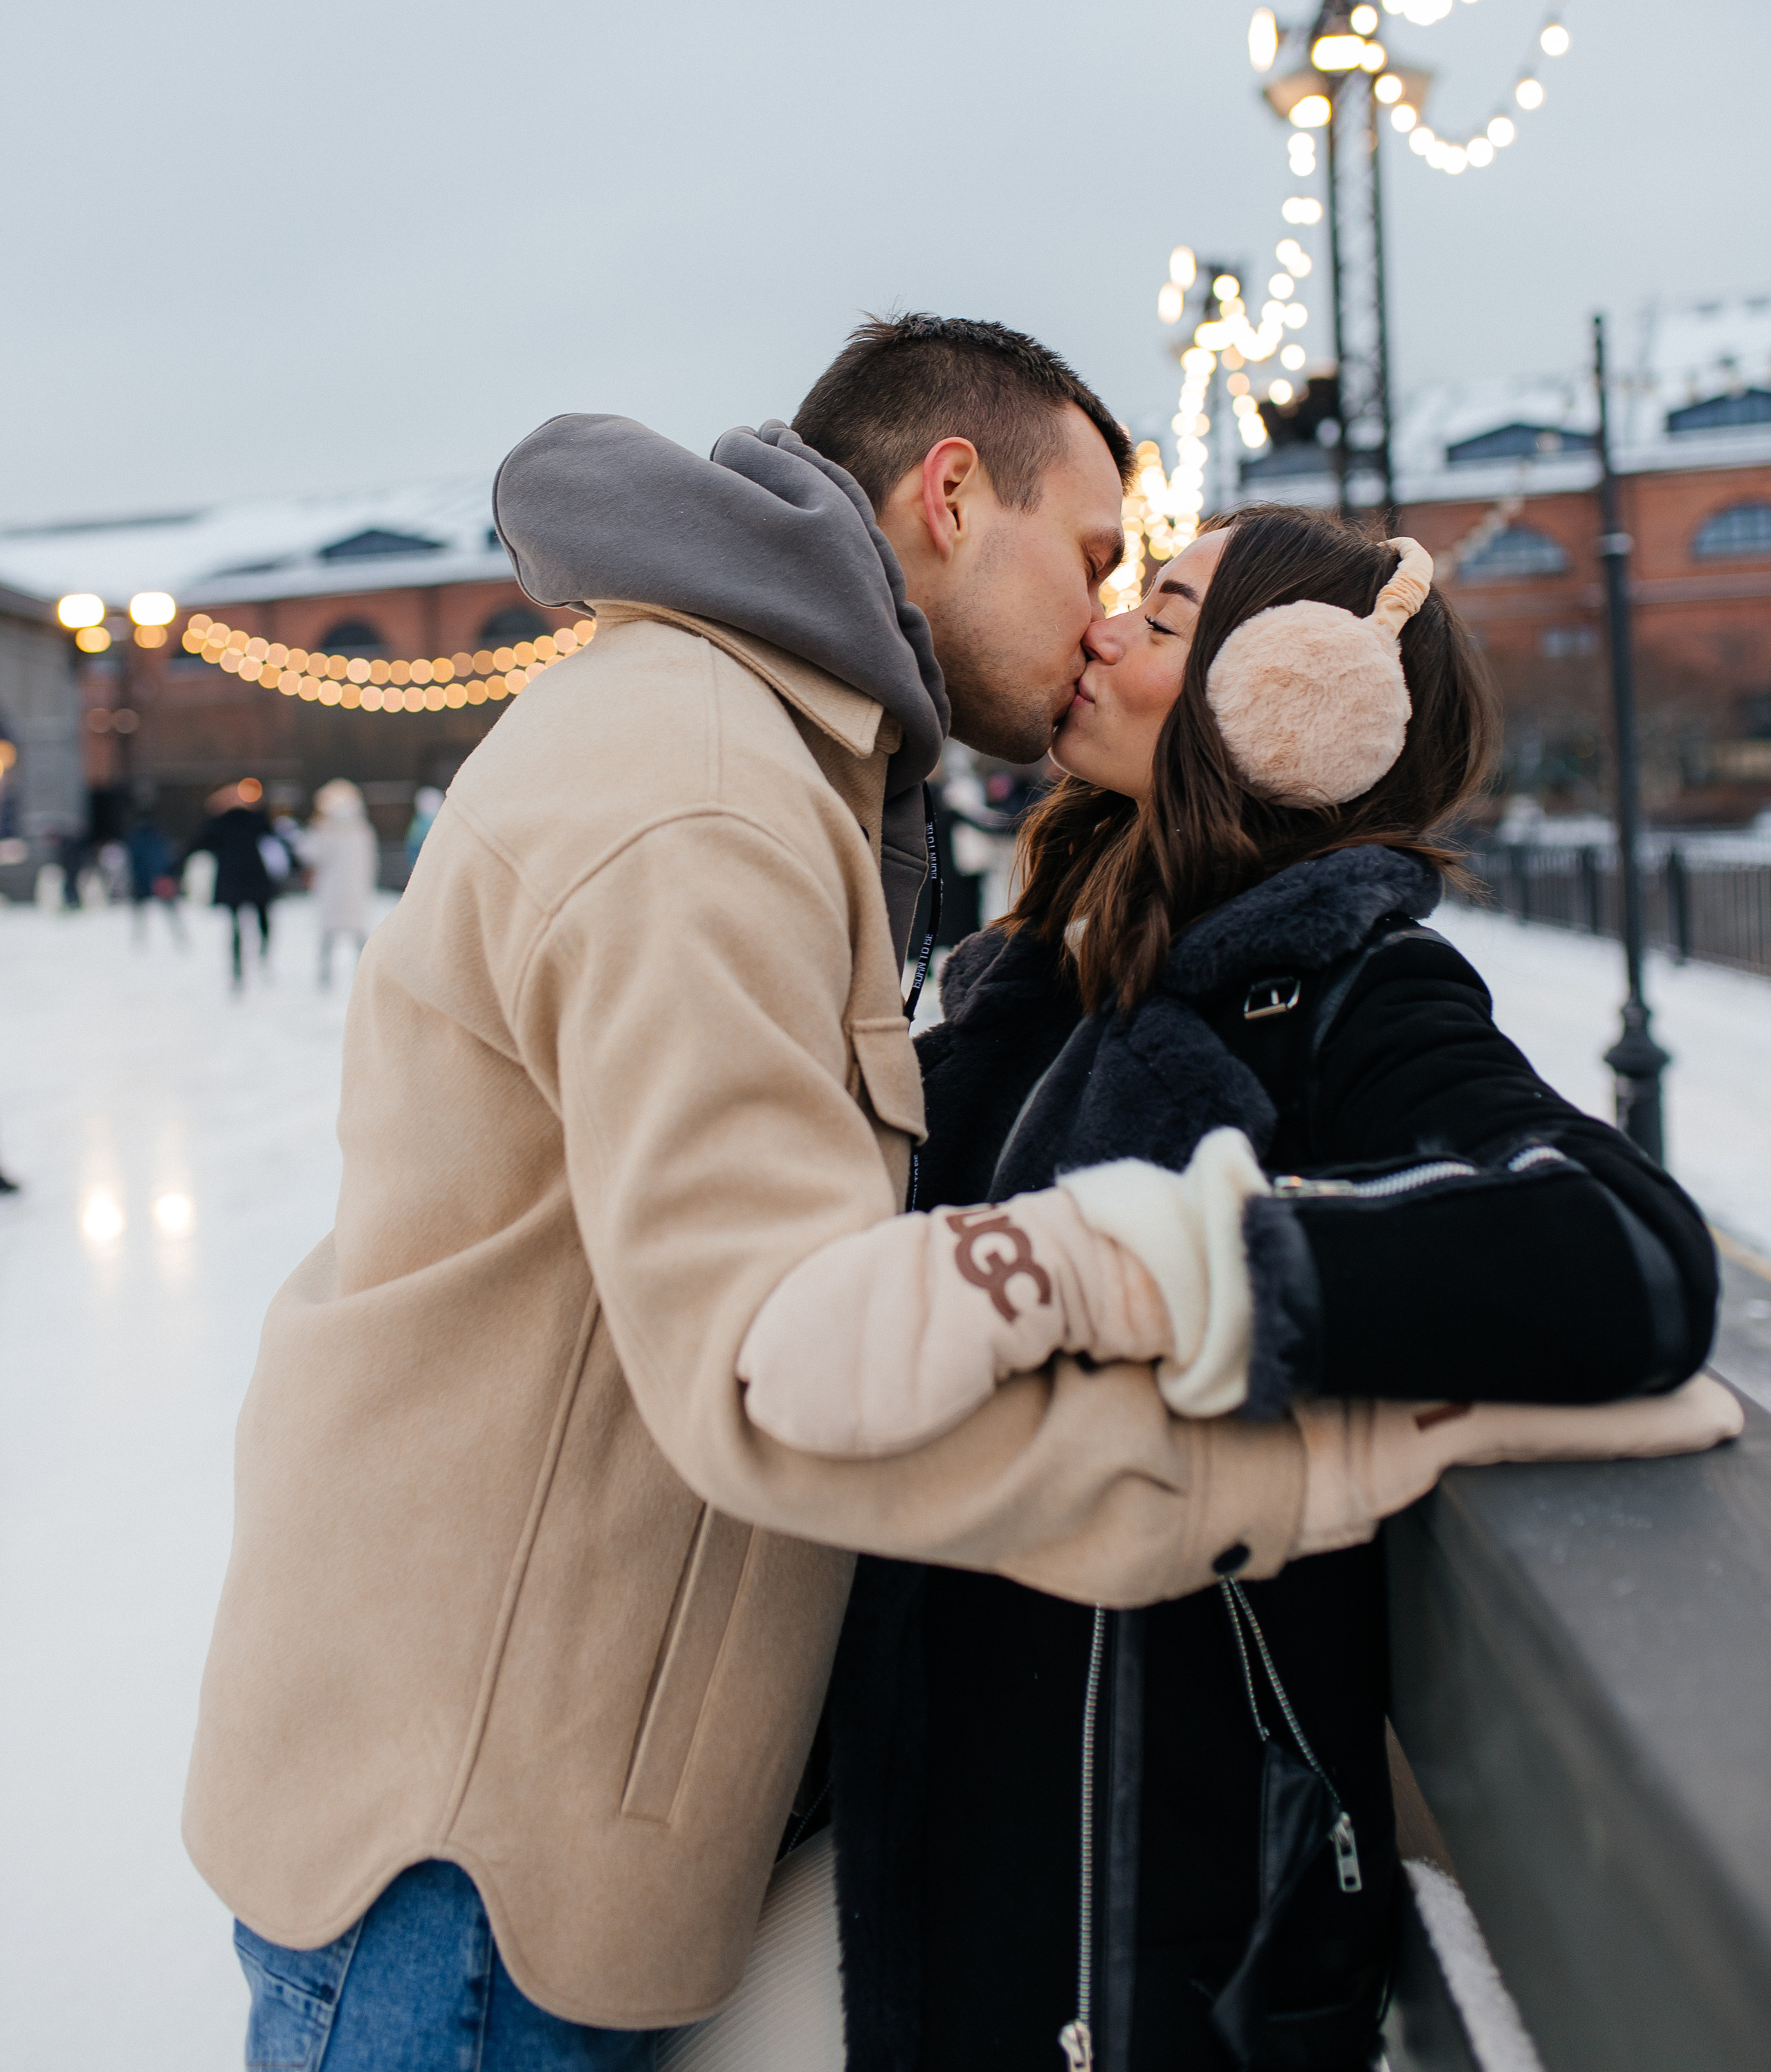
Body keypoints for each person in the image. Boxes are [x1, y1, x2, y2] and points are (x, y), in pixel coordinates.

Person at [186, 320, 1425, 2071]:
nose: (1099, 617)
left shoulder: (765, 755)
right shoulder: (709, 788)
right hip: (476, 1829)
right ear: (949, 494)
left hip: (530, 1774)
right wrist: (1282, 1476)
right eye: (1090, 558)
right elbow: (771, 1361)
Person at [738, 508, 1724, 2072]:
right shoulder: (1050, 977)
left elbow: (1621, 1247)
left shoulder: (1345, 981)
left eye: (1163, 615)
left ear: (1291, 700)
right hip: (964, 1812)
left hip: (1151, 1896)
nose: (1101, 630)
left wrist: (1146, 1260)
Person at [183, 780, 280, 987]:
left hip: (232, 881)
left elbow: (195, 845)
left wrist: (172, 870)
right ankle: (261, 957)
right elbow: (272, 834)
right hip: (255, 878)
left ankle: (238, 967)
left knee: (236, 926)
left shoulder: (218, 824)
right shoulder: (254, 820)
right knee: (262, 920)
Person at [301, 779, 380, 986]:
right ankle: (365, 976)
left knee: (329, 935)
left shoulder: (325, 830)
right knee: (358, 934)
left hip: (331, 891)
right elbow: (372, 862)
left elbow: (309, 854)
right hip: (356, 891)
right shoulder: (362, 830)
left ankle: (325, 977)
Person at [125, 805, 187, 946]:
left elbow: (134, 861)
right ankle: (179, 938)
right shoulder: (158, 836)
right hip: (159, 879)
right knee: (168, 913)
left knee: (145, 914)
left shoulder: (136, 838)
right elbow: (165, 858)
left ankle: (140, 940)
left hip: (148, 881)